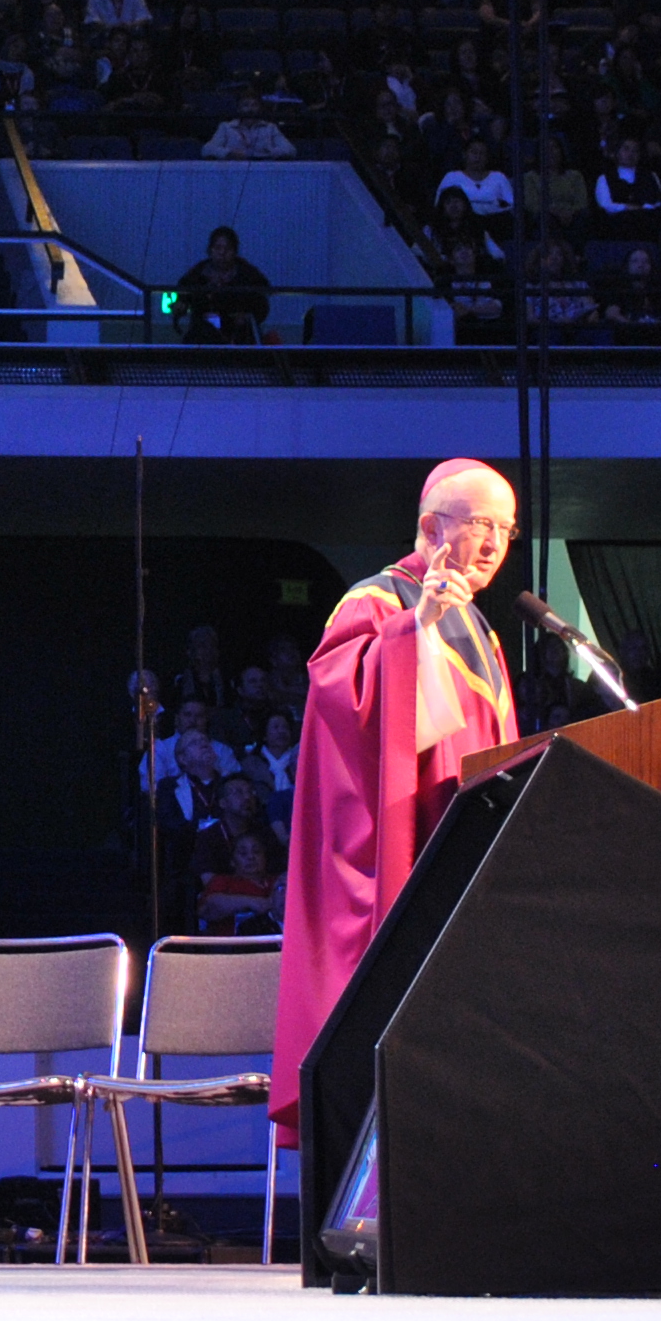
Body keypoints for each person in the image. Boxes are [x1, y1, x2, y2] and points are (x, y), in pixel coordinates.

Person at [273, 459, 521, 1145]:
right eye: (479, 523)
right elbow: (341, 709)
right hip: (399, 854)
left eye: (505, 528)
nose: (495, 543)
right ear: (429, 526)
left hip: (463, 852)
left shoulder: (485, 631)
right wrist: (417, 630)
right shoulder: (376, 603)